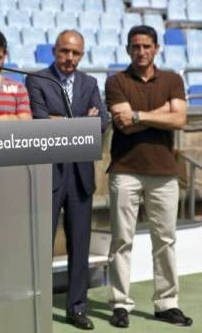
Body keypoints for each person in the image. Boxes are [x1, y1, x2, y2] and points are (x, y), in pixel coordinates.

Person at [105, 25, 192, 328]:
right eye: (135, 46)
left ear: (156, 48)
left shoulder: (172, 79)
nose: (141, 51)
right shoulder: (116, 81)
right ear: (128, 49)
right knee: (120, 240)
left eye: (146, 46)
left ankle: (166, 303)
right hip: (125, 170)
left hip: (164, 172)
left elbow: (179, 119)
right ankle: (119, 303)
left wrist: (141, 114)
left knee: (165, 240)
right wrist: (161, 113)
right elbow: (123, 124)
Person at [25, 30, 108, 330]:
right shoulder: (37, 80)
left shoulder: (90, 83)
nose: (69, 58)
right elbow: (40, 121)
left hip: (81, 176)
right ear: (54, 51)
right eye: (64, 52)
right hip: (49, 174)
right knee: (40, 245)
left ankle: (76, 307)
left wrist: (64, 122)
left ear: (82, 55)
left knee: (80, 246)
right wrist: (81, 122)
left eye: (75, 53)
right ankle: (36, 305)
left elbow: (102, 123)